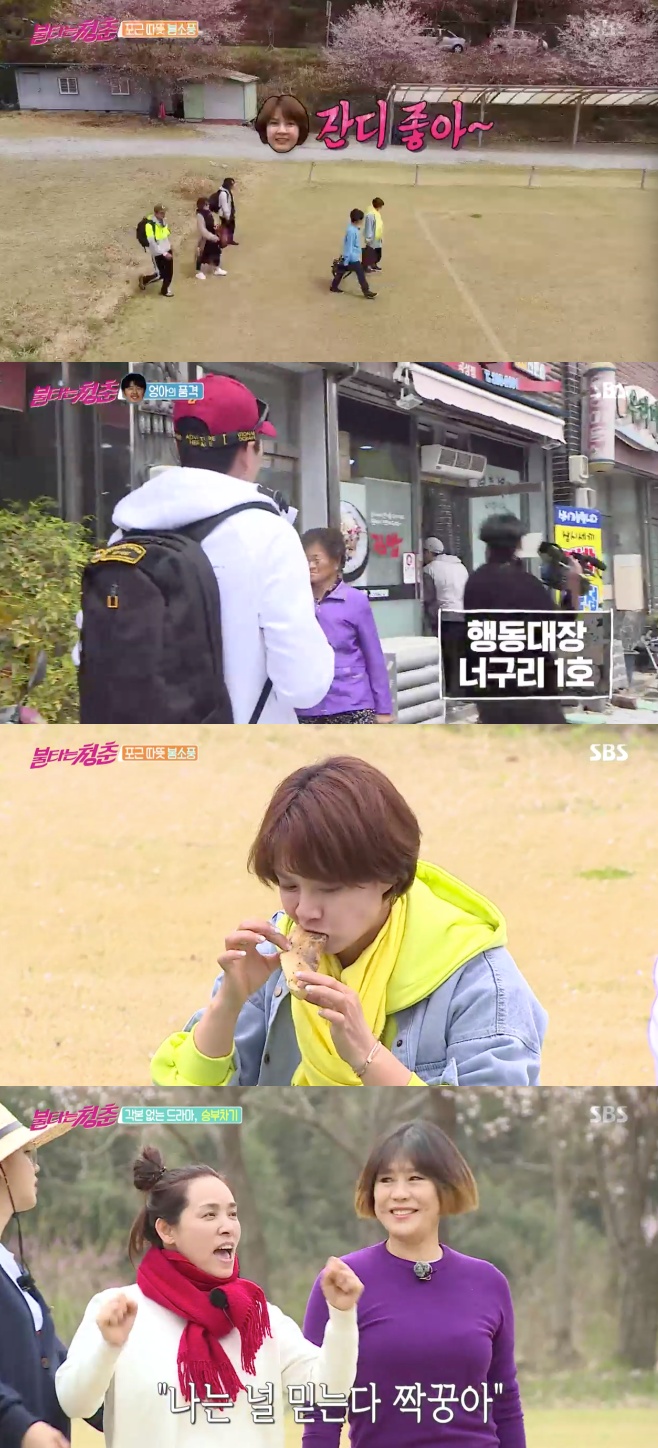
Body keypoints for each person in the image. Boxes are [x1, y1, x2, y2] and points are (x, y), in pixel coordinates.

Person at [151, 755, 547, 1088]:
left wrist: (366, 1054)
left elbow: (478, 1139)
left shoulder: (480, 984)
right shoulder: (271, 956)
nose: (305, 911)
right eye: (290, 885)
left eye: (330, 889)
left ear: (388, 876)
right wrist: (227, 1005)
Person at [56, 1145, 363, 1448]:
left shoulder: (258, 1318)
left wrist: (342, 1315)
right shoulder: (120, 1311)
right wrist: (108, 1347)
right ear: (167, 1230)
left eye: (232, 1214)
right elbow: (74, 1403)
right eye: (209, 1215)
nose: (227, 1227)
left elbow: (327, 1391)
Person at [73, 374, 334, 724]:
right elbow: (304, 685)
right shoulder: (269, 534)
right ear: (249, 450)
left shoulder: (125, 534)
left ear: (179, 447)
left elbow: (86, 654)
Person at [302, 1120, 527, 1448]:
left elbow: (504, 1401)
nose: (399, 1194)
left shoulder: (488, 1282)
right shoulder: (342, 1283)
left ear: (445, 1187)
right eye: (386, 1180)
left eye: (415, 1178)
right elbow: (321, 1407)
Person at [0, 1100, 103, 1448]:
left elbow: (58, 1364)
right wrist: (21, 1427)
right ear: (1, 1167)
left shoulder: (10, 1265)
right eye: (27, 1154)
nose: (36, 1167)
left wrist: (120, 1408)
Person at [463, 514, 581, 724]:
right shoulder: (527, 584)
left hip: (489, 688)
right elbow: (559, 632)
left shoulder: (475, 581)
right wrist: (573, 586)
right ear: (518, 545)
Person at [297, 528, 394, 723]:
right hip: (306, 705)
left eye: (316, 560)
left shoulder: (355, 601)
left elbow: (373, 656)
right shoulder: (294, 601)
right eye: (305, 560)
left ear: (336, 561)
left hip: (352, 703)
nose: (310, 566)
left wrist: (383, 708)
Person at [423, 538, 469, 697]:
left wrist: (430, 620)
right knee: (460, 654)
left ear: (429, 552)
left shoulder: (429, 569)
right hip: (463, 615)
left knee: (447, 655)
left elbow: (429, 598)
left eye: (424, 553)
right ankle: (461, 689)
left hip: (446, 617)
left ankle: (450, 691)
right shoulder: (460, 566)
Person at [330, 211, 376, 299]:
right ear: (357, 220)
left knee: (341, 271)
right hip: (352, 258)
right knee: (360, 273)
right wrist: (346, 260)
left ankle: (334, 287)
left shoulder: (352, 228)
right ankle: (366, 291)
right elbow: (349, 247)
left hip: (350, 257)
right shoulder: (352, 231)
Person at [139, 205, 174, 298]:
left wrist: (169, 247)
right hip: (158, 253)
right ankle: (144, 280)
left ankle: (164, 290)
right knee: (160, 275)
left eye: (164, 212)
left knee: (169, 273)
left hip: (167, 250)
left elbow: (165, 236)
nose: (163, 214)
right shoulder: (149, 225)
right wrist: (164, 253)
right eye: (161, 213)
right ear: (156, 213)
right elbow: (152, 243)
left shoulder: (163, 222)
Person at [195, 197, 226, 281]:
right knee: (202, 255)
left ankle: (216, 268)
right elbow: (202, 229)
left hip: (213, 236)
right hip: (205, 239)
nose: (208, 205)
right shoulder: (200, 215)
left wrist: (215, 227)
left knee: (216, 252)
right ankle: (199, 272)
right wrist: (211, 237)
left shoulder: (209, 213)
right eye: (206, 204)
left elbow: (212, 222)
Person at [362, 197, 384, 273]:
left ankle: (373, 265)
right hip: (372, 238)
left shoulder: (376, 213)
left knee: (378, 254)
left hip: (377, 237)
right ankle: (368, 266)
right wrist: (368, 238)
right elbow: (369, 227)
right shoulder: (370, 215)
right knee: (371, 254)